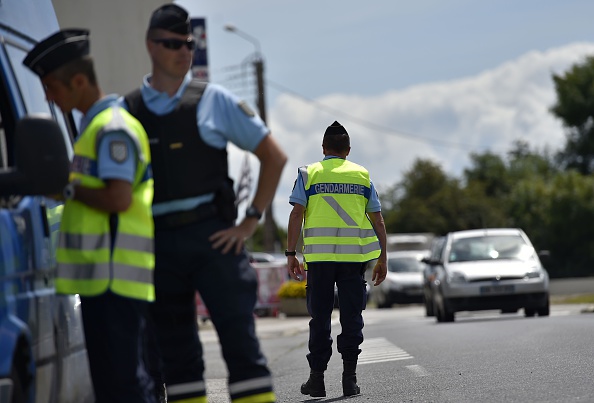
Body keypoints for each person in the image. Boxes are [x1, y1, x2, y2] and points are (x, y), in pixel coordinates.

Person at [122, 4, 287, 403]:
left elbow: (274, 156)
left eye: (189, 44)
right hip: (158, 245)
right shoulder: (127, 110)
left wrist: (250, 221)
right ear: (151, 45)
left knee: (241, 347)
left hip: (213, 239)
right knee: (176, 359)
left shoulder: (213, 99)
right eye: (173, 43)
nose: (184, 51)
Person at [23, 29, 156, 402]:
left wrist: (63, 186)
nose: (48, 96)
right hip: (104, 279)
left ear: (79, 81)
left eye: (52, 86)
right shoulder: (92, 129)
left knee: (124, 387)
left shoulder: (111, 129)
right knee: (118, 385)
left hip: (115, 278)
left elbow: (117, 198)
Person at [286, 121, 388, 398]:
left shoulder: (309, 173)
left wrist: (291, 254)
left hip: (319, 260)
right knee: (352, 316)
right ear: (348, 150)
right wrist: (383, 257)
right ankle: (350, 379)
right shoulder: (362, 175)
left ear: (323, 149)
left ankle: (316, 380)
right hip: (354, 259)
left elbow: (296, 214)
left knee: (320, 317)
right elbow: (377, 220)